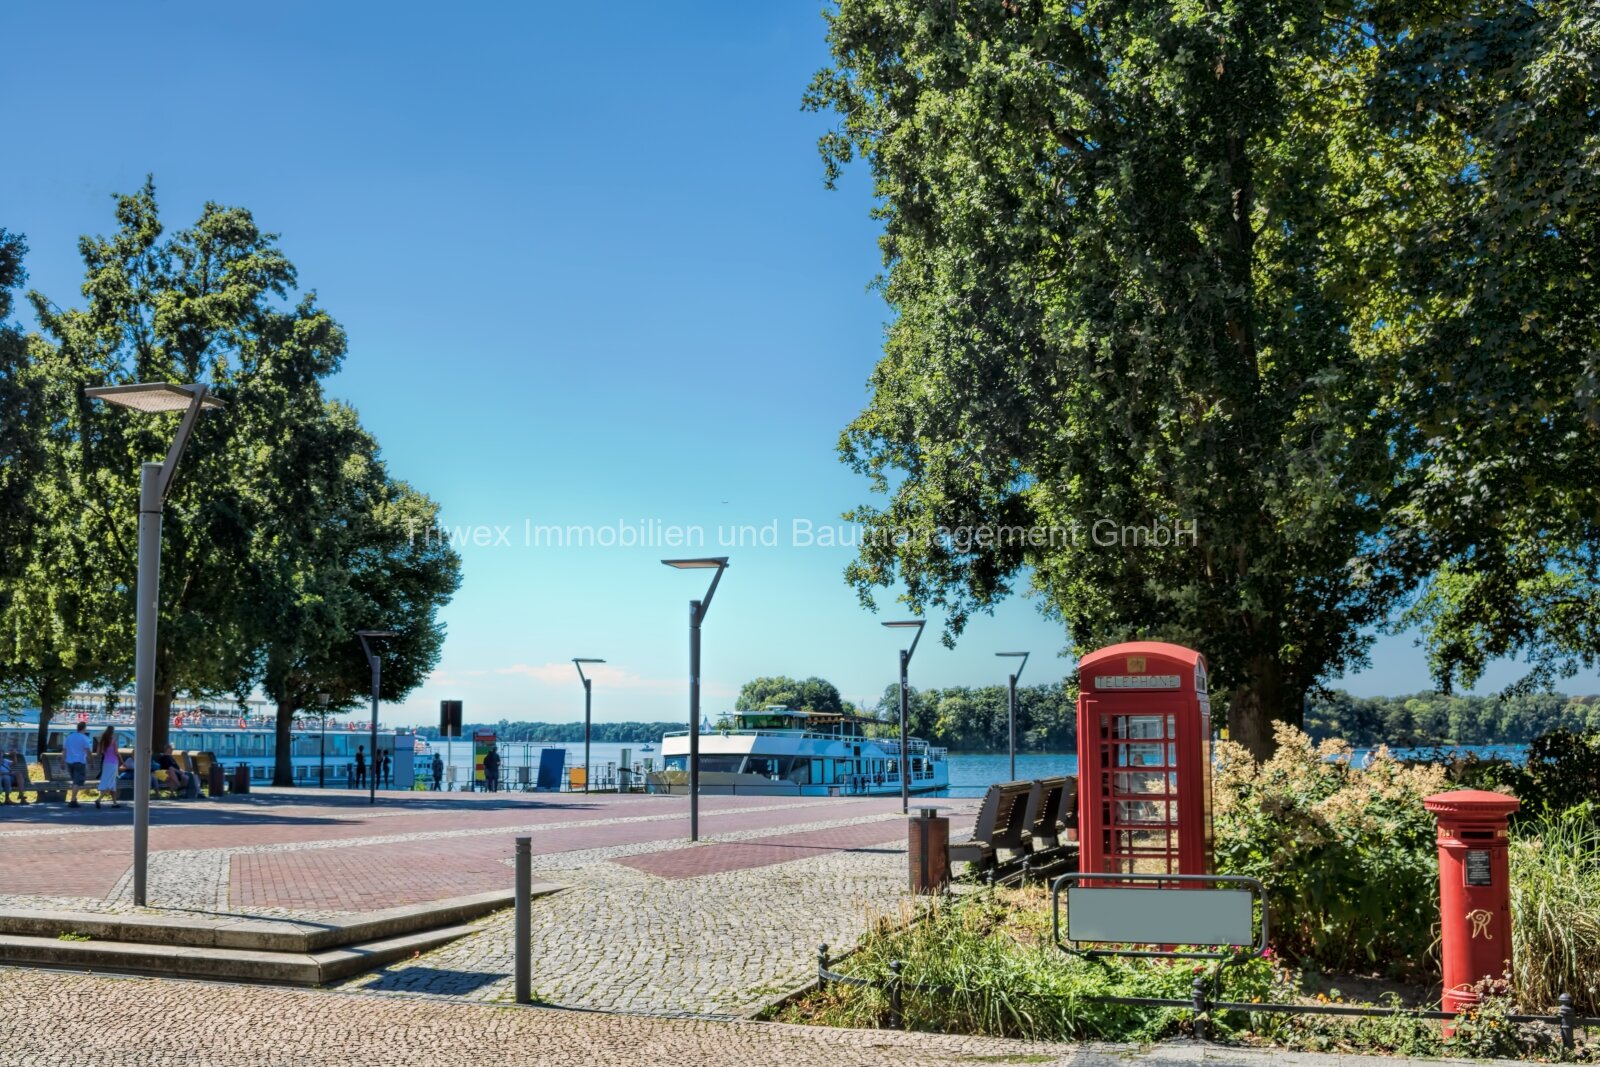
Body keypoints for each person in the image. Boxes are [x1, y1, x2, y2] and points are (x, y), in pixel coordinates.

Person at [62, 721, 93, 808]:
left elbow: (64, 750)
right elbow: (88, 751)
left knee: (75, 781)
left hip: (69, 762)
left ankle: (74, 799)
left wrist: (62, 762)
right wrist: (91, 761)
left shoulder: (69, 737)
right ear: (84, 728)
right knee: (77, 782)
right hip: (79, 762)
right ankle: (72, 800)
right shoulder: (84, 738)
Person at [94, 725, 121, 810]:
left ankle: (114, 802)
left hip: (106, 763)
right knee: (110, 782)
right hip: (113, 763)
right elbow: (116, 752)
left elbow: (98, 753)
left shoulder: (102, 741)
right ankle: (99, 799)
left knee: (110, 781)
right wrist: (122, 761)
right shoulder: (113, 740)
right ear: (112, 732)